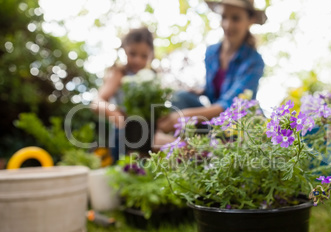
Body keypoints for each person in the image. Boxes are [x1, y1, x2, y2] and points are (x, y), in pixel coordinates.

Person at [157, 0, 266, 134]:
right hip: (214, 123)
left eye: (235, 18)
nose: (227, 25)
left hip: (237, 128)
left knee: (183, 114)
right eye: (224, 17)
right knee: (180, 97)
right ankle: (187, 146)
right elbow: (216, 91)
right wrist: (201, 91)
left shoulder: (254, 61)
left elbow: (230, 106)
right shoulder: (212, 53)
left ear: (251, 20)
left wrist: (182, 117)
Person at [91, 27, 173, 162]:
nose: (137, 60)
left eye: (144, 56)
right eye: (132, 54)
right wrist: (113, 113)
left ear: (151, 55)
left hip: (148, 136)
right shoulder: (119, 73)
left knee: (145, 171)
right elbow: (97, 101)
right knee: (124, 171)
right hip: (122, 134)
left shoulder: (153, 77)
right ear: (124, 50)